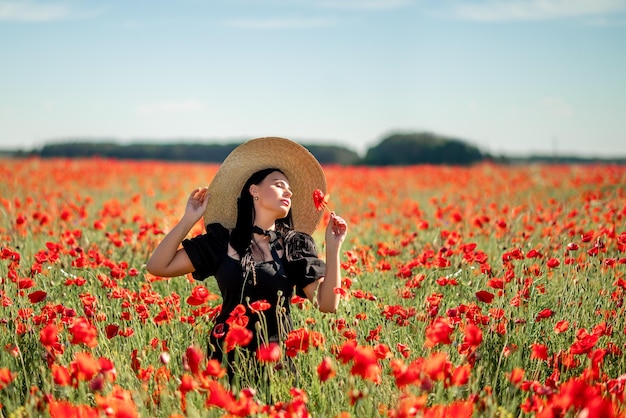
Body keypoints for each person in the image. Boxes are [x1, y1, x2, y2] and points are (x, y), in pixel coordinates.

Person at [146, 137, 348, 394]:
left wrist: (334, 246)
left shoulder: (295, 245)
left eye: (290, 190)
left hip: (277, 364)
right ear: (254, 190)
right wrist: (189, 219)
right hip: (227, 359)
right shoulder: (221, 242)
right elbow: (158, 266)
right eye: (279, 185)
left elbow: (328, 304)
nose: (288, 192)